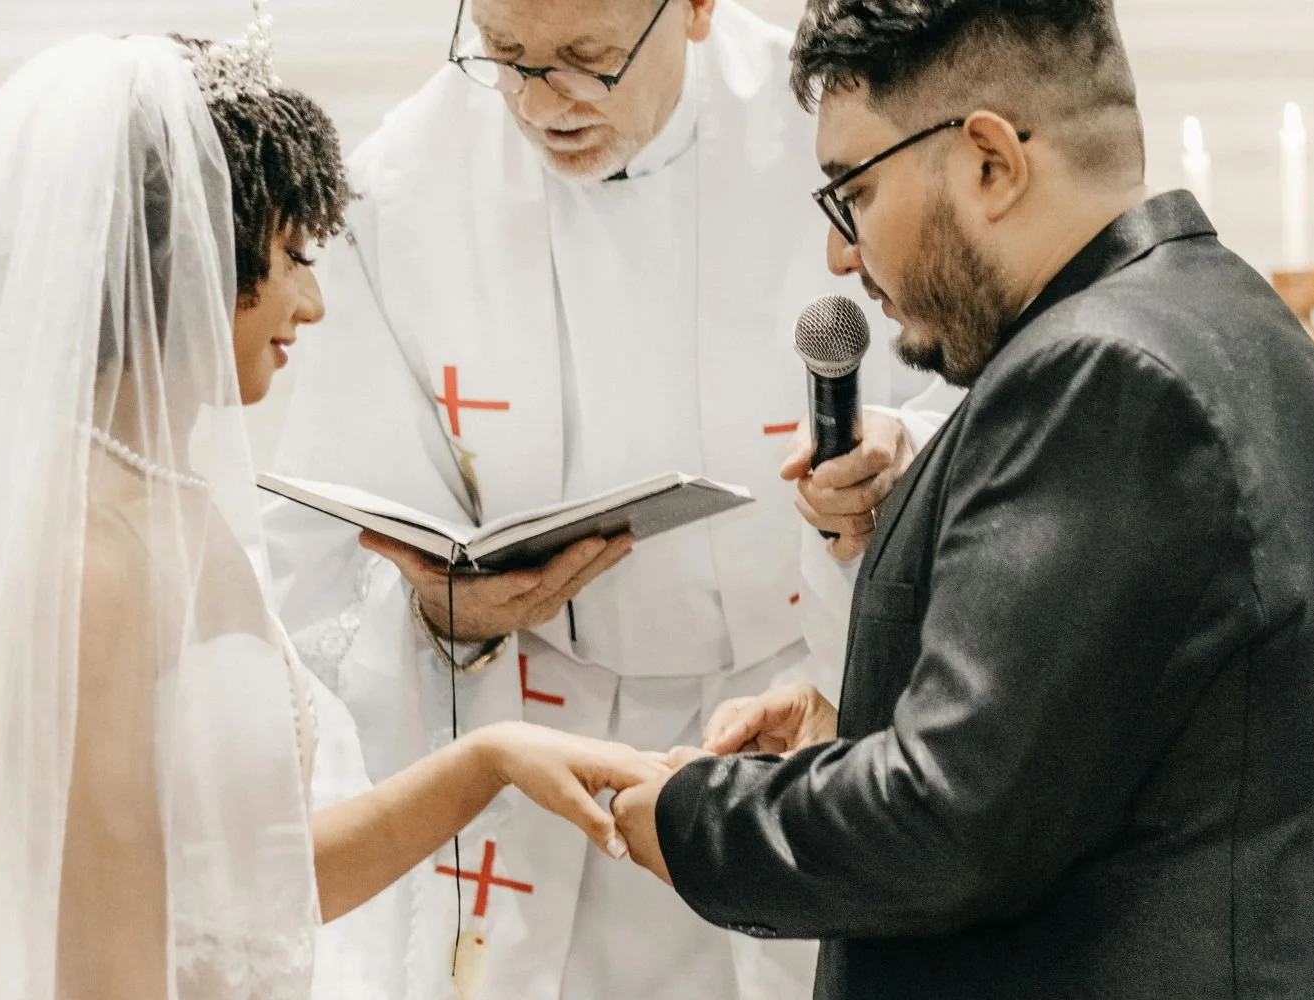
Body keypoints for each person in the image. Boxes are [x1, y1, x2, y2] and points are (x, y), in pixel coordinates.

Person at [0, 30, 666, 1000]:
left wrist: (490, 759)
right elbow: (101, 965)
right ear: (193, 255)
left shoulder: (168, 503)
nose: (312, 303)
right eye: (294, 255)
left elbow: (248, 897)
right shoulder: (85, 558)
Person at [610, 0, 1314, 997]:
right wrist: (846, 740)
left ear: (989, 161)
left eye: (851, 192)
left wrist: (694, 815)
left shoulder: (1101, 377)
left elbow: (946, 825)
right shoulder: (1230, 325)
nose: (840, 257)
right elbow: (1076, 774)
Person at [262, 0, 960, 997]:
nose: (547, 104)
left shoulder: (848, 122)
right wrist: (440, 617)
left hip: (806, 708)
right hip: (547, 760)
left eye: (590, 58)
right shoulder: (406, 187)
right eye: (506, 57)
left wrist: (904, 461)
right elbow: (329, 549)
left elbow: (991, 392)